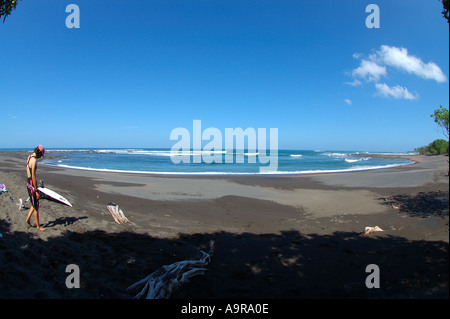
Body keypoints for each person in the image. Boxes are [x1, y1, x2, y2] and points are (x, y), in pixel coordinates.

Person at [25, 145, 45, 230]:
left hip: (28, 182)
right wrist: (36, 190)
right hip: (32, 184)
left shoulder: (29, 157)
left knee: (33, 204)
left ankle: (27, 219)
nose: (41, 157)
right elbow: (33, 175)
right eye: (41, 155)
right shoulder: (34, 160)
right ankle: (38, 226)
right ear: (39, 152)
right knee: (36, 205)